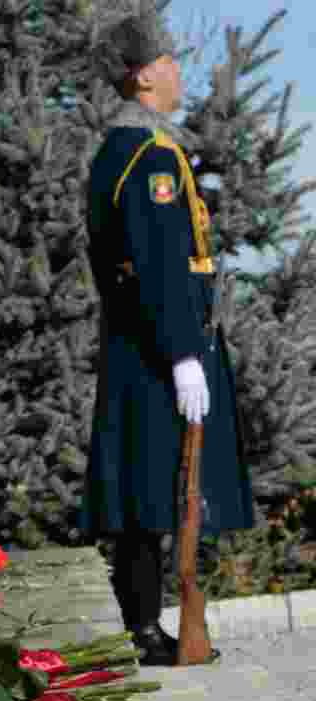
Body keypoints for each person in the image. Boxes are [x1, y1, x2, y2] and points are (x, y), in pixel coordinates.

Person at [80, 14, 254, 665]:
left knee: (148, 483)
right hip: (157, 346)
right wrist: (183, 353)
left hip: (144, 339)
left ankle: (146, 626)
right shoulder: (148, 156)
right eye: (170, 60)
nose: (179, 70)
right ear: (144, 75)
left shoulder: (130, 149)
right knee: (154, 487)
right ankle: (146, 630)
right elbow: (157, 263)